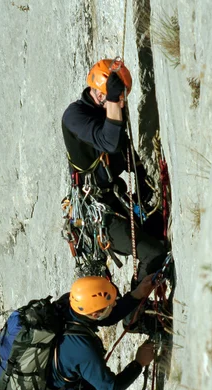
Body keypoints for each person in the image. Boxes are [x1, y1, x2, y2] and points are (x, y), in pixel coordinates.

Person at [61, 58, 168, 285]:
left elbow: (124, 146)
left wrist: (142, 183)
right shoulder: (74, 117)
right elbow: (108, 142)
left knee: (160, 229)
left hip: (114, 198)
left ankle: (148, 291)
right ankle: (132, 314)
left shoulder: (111, 109)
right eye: (109, 96)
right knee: (153, 252)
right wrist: (112, 100)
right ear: (97, 92)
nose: (118, 102)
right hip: (98, 215)